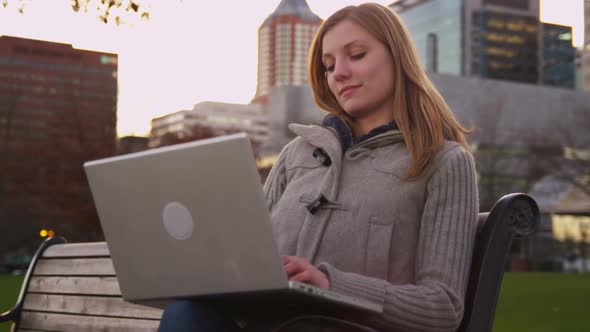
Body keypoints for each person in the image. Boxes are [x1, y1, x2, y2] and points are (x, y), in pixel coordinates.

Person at [158, 3, 478, 331]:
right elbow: (253, 263)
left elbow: (442, 308)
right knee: (186, 312)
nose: (338, 73)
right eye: (328, 65)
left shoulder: (443, 162)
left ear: (398, 58)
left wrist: (329, 284)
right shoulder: (296, 154)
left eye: (356, 55)